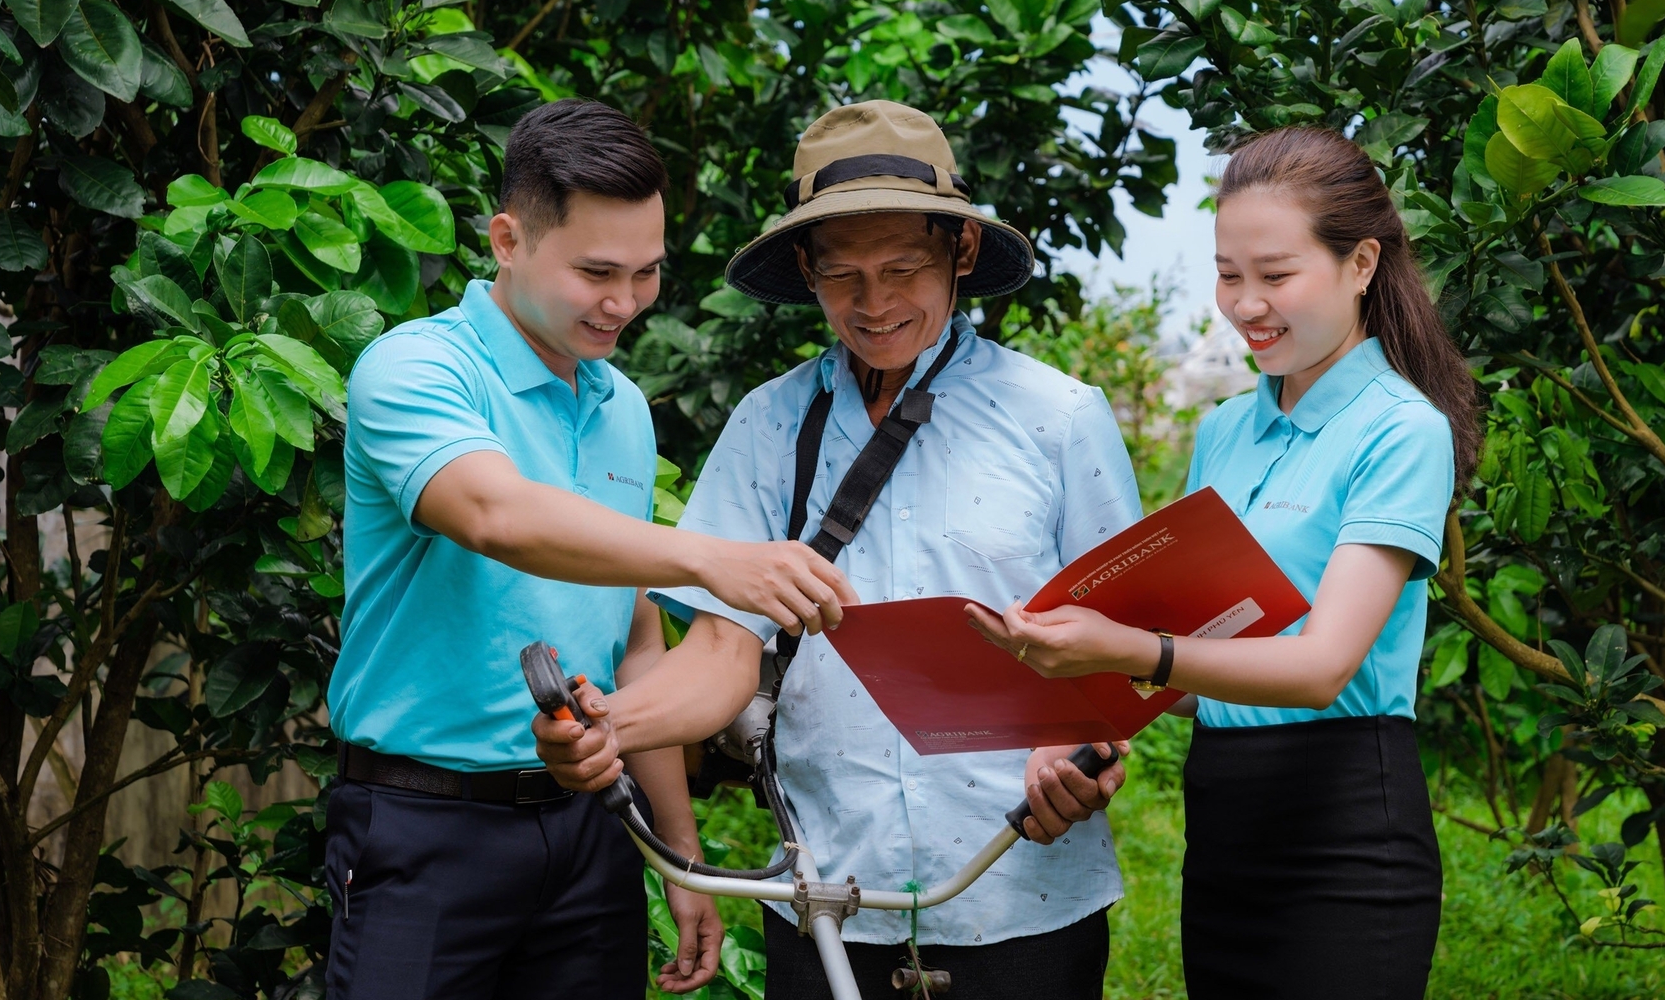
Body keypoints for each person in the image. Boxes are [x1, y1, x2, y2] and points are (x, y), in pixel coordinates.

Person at [534, 100, 1141, 1000]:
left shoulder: (1058, 418)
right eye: (842, 276)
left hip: (1019, 889)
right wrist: (607, 728)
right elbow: (721, 652)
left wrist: (1080, 747)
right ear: (806, 271)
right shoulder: (768, 425)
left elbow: (1124, 643)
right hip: (823, 900)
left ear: (961, 254)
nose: (875, 303)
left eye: (903, 267)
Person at [326, 98, 856, 1000]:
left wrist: (678, 853)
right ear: (506, 239)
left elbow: (635, 639)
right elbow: (494, 512)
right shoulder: (416, 368)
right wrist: (708, 557)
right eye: (596, 272)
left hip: (591, 825)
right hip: (423, 824)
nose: (625, 304)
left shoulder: (622, 409)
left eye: (647, 273)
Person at [969, 125, 1483, 1000]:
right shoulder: (1223, 432)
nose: (1246, 304)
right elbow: (1206, 656)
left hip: (1346, 823)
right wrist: (1075, 705)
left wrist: (1129, 650)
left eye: (1276, 275)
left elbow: (1321, 665)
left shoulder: (1402, 431)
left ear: (1361, 264)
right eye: (1227, 274)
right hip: (1224, 818)